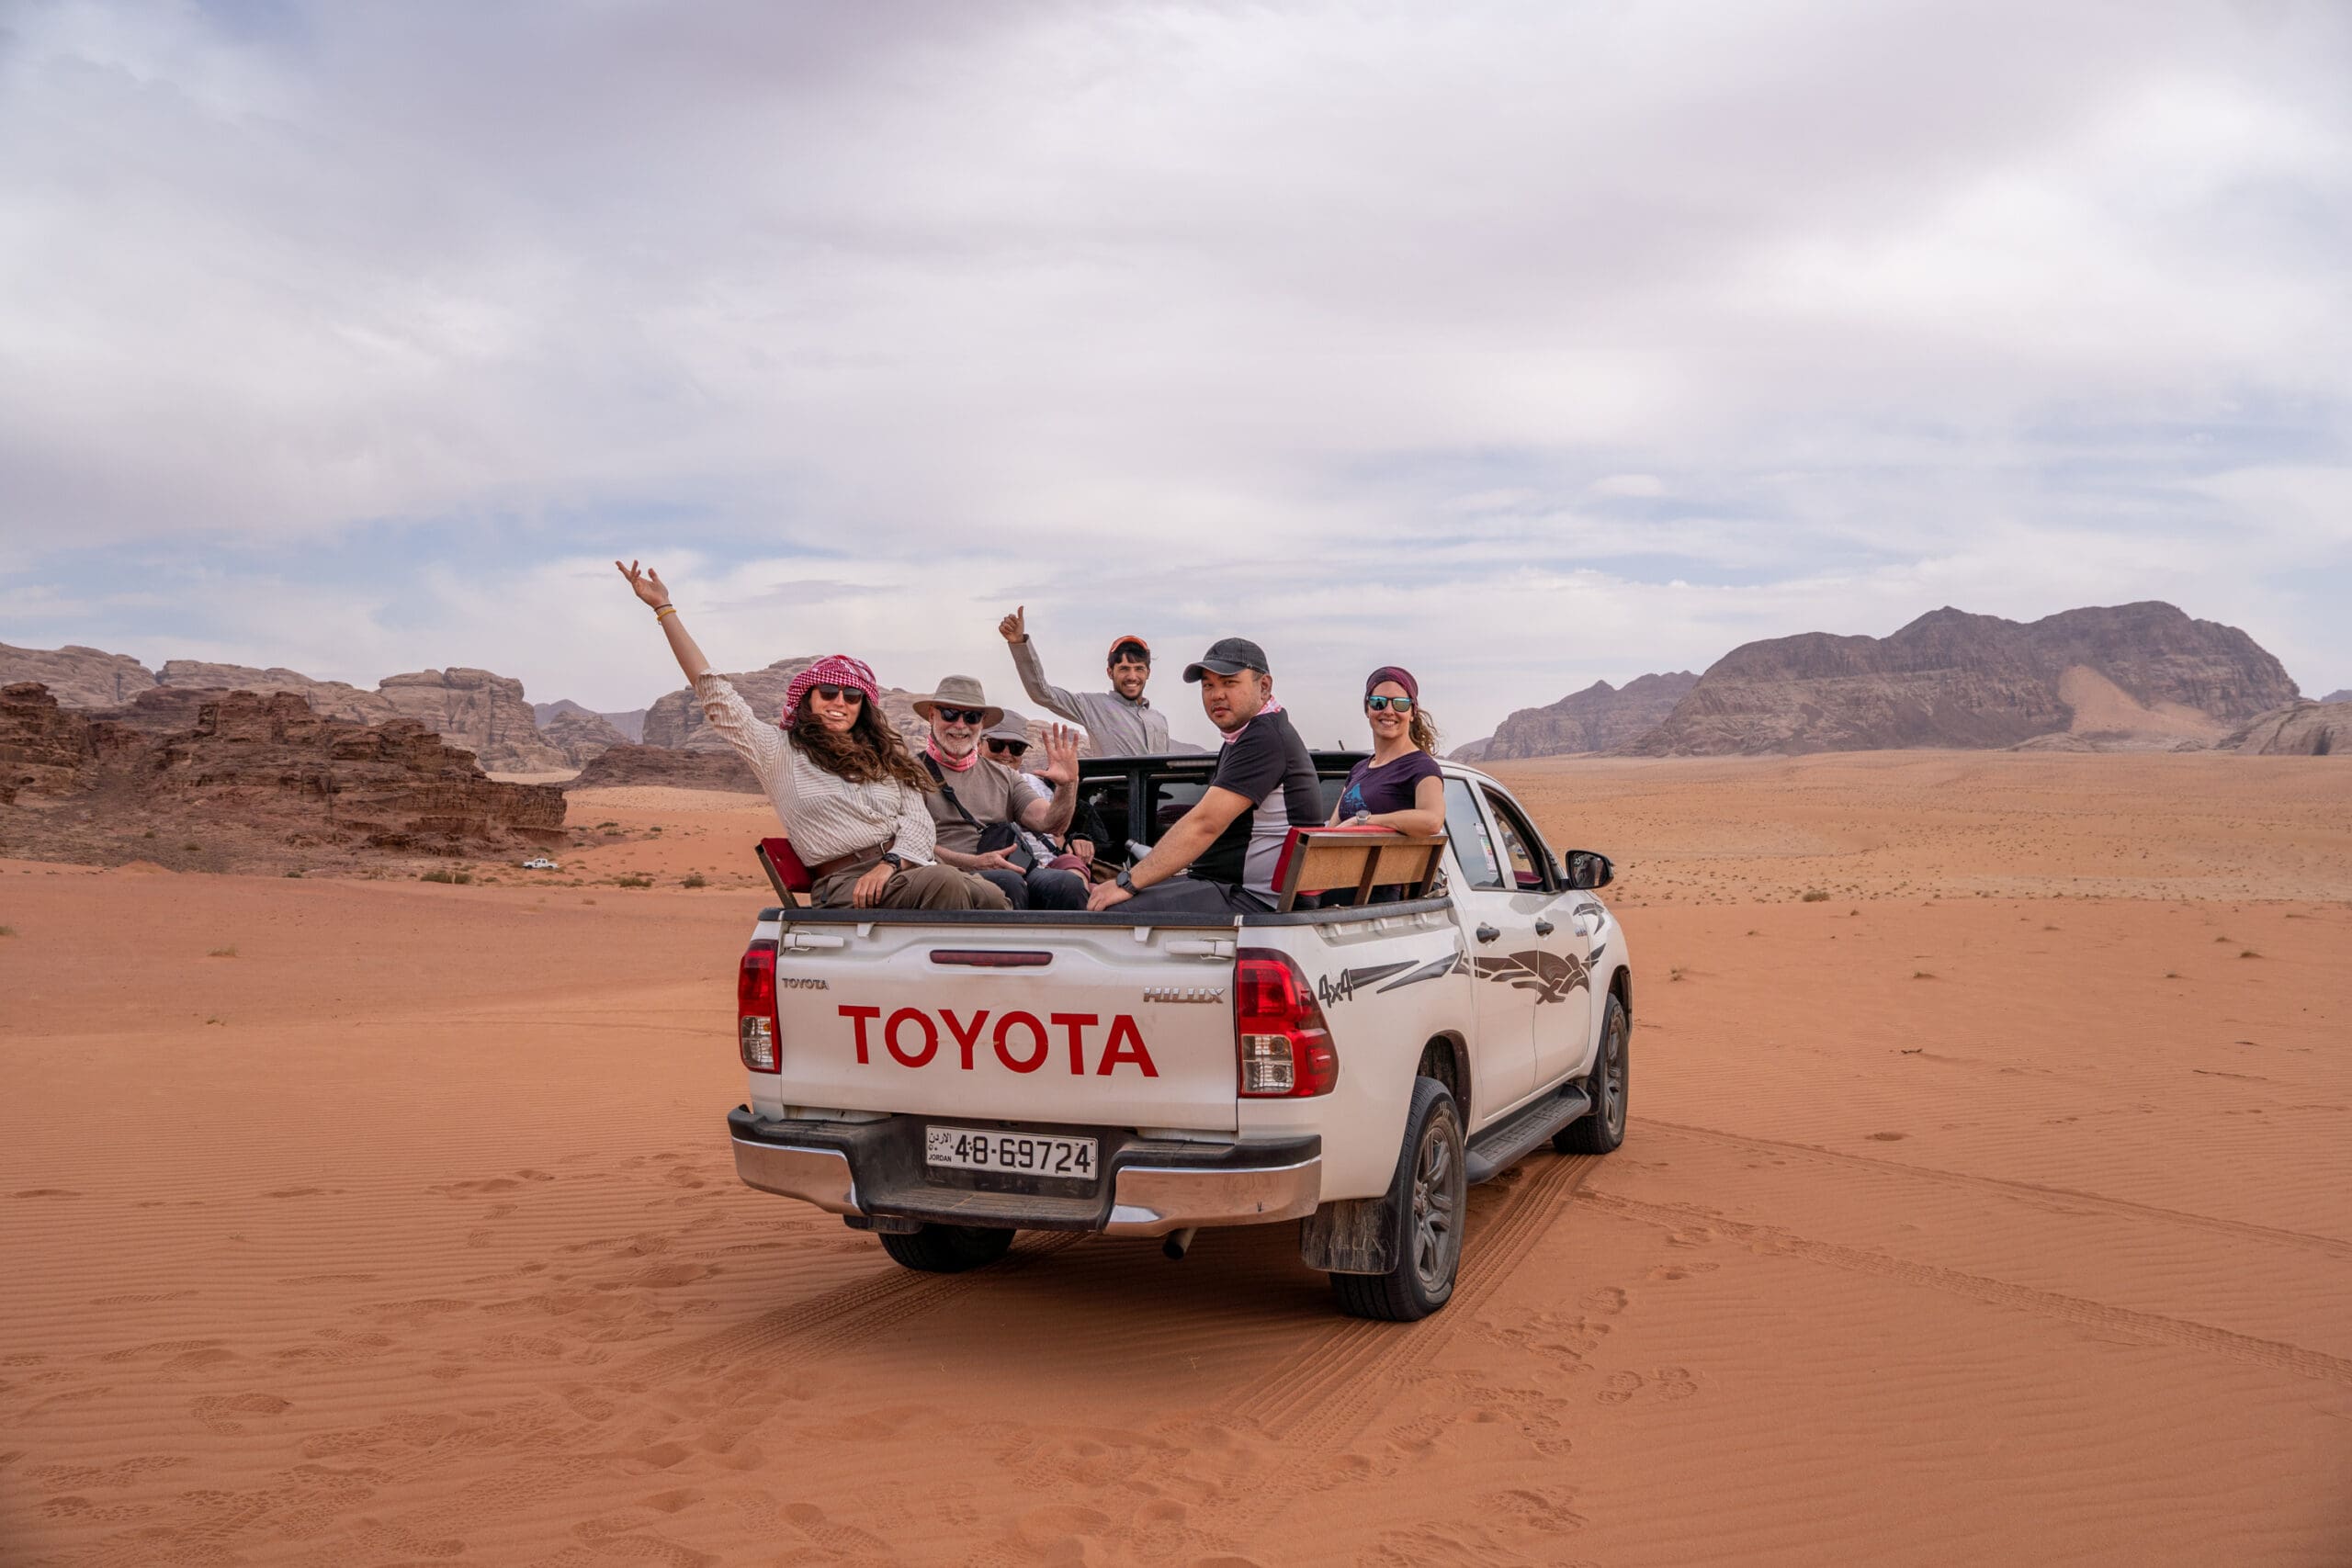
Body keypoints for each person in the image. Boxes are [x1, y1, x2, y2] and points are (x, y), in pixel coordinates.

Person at [614, 560, 1008, 911]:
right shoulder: (778, 751)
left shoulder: (884, 758)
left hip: (900, 871)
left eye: (852, 696)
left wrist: (890, 865)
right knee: (946, 883)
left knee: (995, 895)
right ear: (808, 699)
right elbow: (715, 694)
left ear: (863, 706)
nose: (840, 702)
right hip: (845, 884)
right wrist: (665, 610)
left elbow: (917, 822)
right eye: (829, 693)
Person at [1085, 637, 1322, 915]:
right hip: (1233, 887)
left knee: (1113, 910)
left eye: (1229, 683)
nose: (1216, 694)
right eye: (1208, 685)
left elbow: (1205, 824)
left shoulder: (1264, 738)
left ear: (1264, 686)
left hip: (1257, 902)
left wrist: (1127, 882)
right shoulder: (1251, 734)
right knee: (1113, 894)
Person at [910, 676, 1089, 910]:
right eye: (951, 713)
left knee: (1067, 884)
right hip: (948, 876)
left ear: (982, 723)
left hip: (1008, 866)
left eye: (972, 717)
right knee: (1007, 882)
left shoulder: (1004, 776)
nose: (961, 725)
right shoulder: (909, 773)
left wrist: (1067, 785)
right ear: (932, 715)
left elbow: (1052, 823)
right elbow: (908, 845)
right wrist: (975, 863)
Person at [998, 606, 1171, 756]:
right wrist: (1019, 643)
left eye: (1139, 669)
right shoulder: (1093, 706)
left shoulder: (1159, 719)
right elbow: (1043, 694)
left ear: (1148, 673)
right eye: (1124, 669)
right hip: (1113, 794)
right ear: (1110, 672)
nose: (1132, 677)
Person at [987, 709, 1111, 876]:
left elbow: (1056, 831)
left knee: (1074, 875)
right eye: (997, 745)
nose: (1006, 753)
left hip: (1049, 867)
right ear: (979, 745)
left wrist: (1068, 783)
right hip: (1001, 868)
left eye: (1017, 747)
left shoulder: (1035, 784)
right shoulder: (968, 784)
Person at [1333, 666, 1445, 834]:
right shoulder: (1358, 770)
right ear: (1367, 709)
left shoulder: (1423, 768)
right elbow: (1331, 830)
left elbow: (1432, 821)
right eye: (1379, 702)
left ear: (1412, 712)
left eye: (1400, 704)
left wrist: (1363, 821)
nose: (1389, 711)